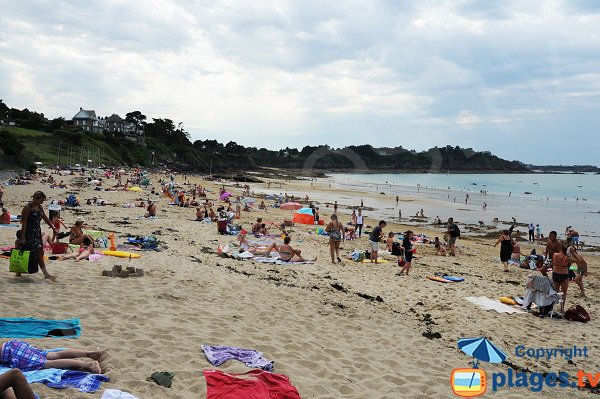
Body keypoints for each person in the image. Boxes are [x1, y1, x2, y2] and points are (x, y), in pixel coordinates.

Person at [0, 340, 102, 374]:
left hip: (11, 352)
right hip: (14, 344)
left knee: (48, 364)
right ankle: (89, 353)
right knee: (54, 355)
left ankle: (89, 365)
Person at [19, 191, 56, 280]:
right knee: (26, 251)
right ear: (37, 198)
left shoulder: (39, 207)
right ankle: (18, 271)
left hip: (36, 232)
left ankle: (46, 274)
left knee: (39, 251)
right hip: (29, 232)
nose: (43, 202)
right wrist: (23, 237)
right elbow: (23, 223)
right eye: (42, 200)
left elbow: (45, 218)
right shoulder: (27, 208)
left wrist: (52, 227)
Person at [552, 245, 576, 314]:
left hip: (556, 273)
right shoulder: (568, 258)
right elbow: (579, 260)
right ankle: (562, 309)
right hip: (564, 274)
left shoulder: (555, 254)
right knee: (563, 293)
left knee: (555, 291)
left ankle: (552, 307)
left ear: (561, 248)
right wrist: (573, 252)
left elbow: (554, 262)